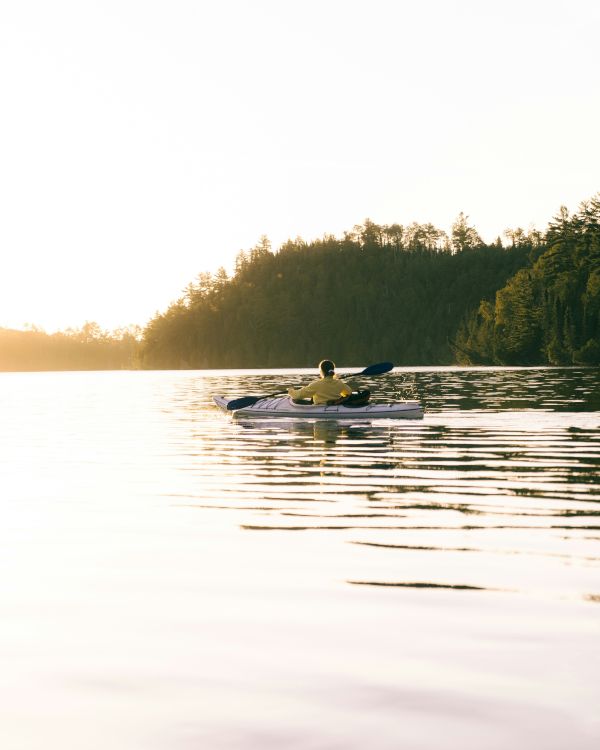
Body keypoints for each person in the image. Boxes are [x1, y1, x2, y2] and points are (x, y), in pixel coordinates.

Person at [288, 360, 352, 405]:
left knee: (295, 400)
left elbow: (297, 395)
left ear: (322, 371)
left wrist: (290, 391)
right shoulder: (339, 383)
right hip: (334, 405)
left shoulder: (317, 385)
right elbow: (349, 392)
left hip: (320, 408)